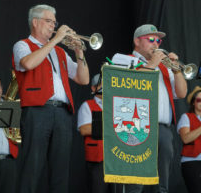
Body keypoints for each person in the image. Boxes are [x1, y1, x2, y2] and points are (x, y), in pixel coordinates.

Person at [12, 4, 90, 193]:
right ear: (35, 22)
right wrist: (55, 40)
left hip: (62, 113)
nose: (53, 26)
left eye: (54, 22)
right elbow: (28, 63)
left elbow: (84, 79)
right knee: (32, 167)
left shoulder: (60, 52)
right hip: (37, 111)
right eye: (49, 21)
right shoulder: (22, 45)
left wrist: (80, 53)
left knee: (60, 171)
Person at [113, 24, 188, 193]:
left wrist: (176, 70)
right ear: (137, 41)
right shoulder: (123, 60)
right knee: (135, 181)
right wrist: (152, 65)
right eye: (151, 39)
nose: (156, 44)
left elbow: (182, 93)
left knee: (161, 184)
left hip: (162, 129)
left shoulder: (163, 67)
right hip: (135, 128)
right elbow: (127, 89)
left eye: (158, 40)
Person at [78, 73, 117, 193]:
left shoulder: (116, 106)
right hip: (97, 158)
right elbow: (84, 129)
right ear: (93, 88)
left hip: (117, 159)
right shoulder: (87, 105)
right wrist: (113, 127)